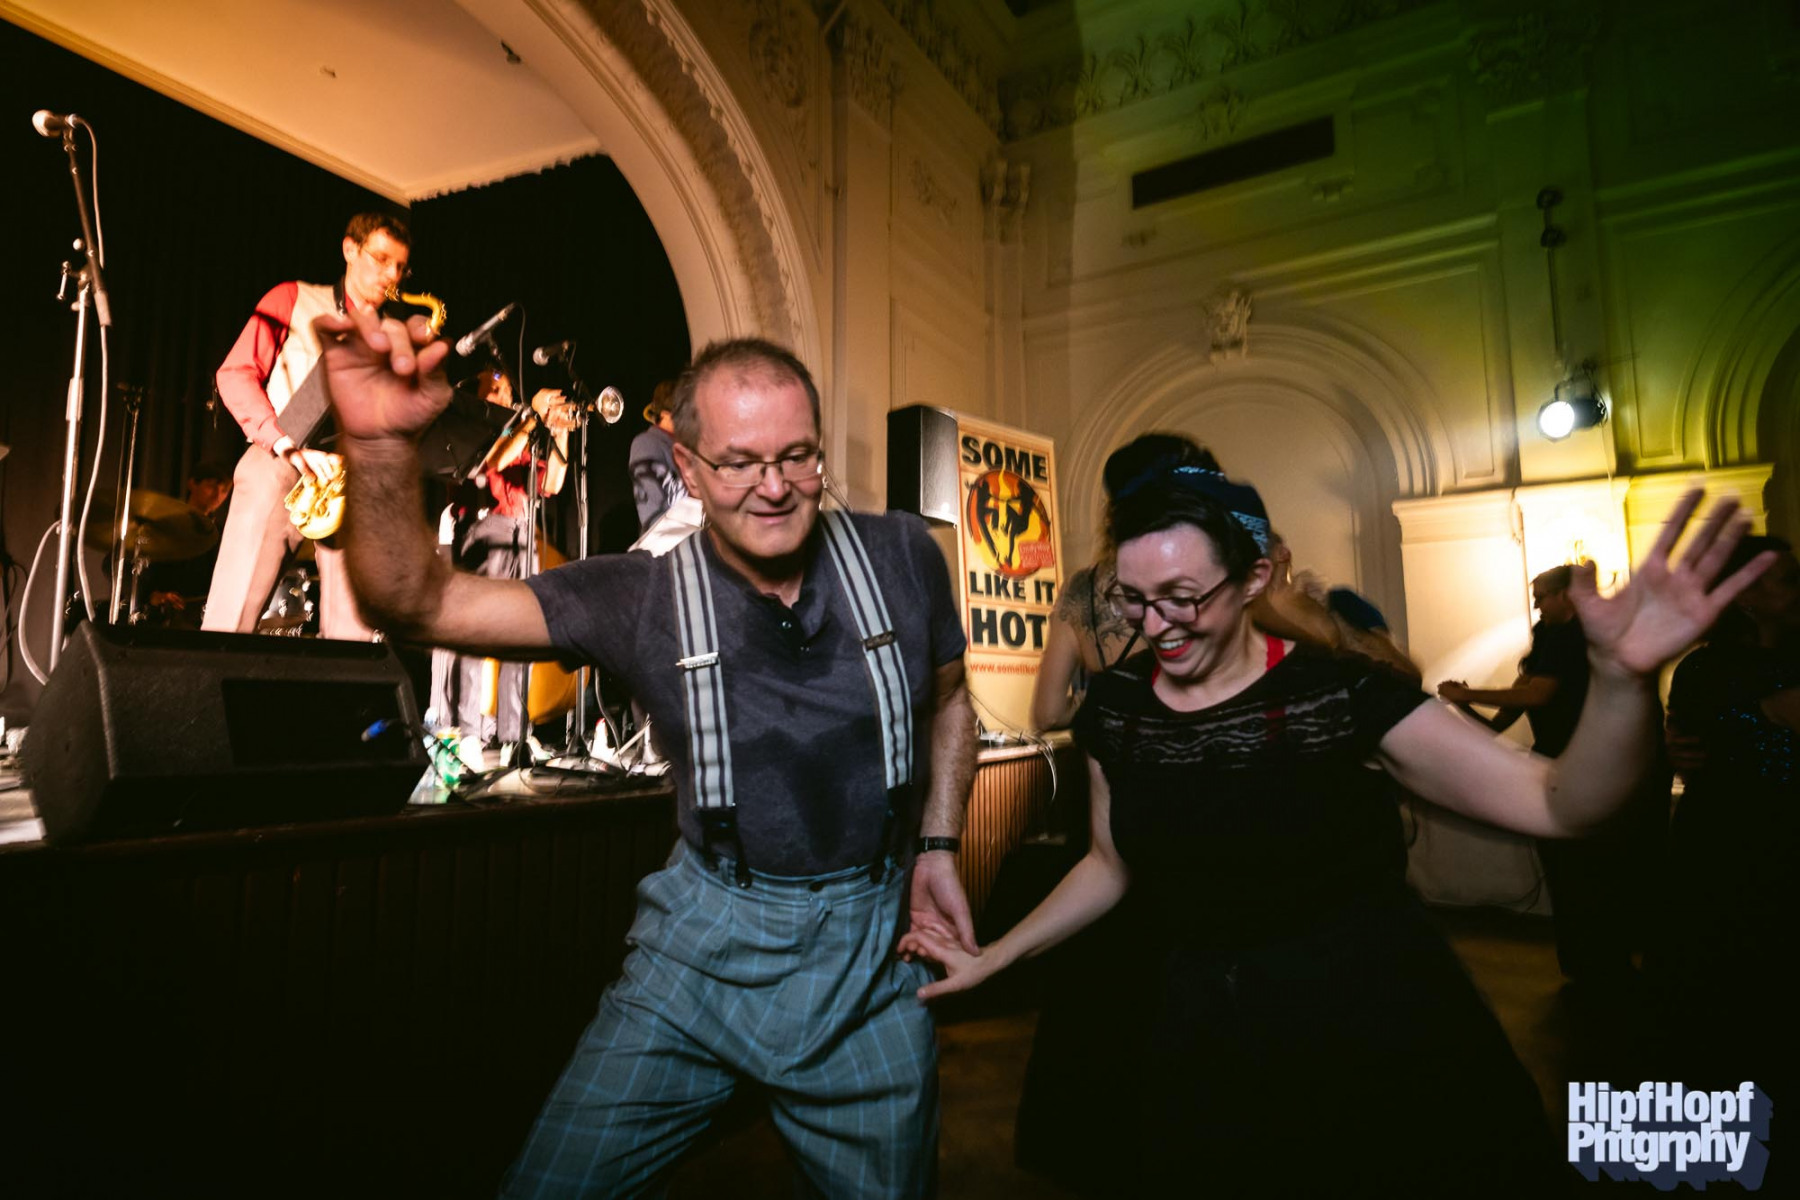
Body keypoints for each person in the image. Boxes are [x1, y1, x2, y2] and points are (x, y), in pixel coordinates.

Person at [901, 463, 1771, 1196]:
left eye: (1182, 597)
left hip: (1373, 1030)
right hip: (1206, 1041)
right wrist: (997, 956)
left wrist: (1620, 679)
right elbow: (1109, 861)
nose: (1155, 626)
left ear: (1252, 581)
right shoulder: (1120, 711)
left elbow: (1565, 805)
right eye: (1134, 600)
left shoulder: (1341, 694)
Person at [313, 308, 979, 1199]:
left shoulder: (902, 554)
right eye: (739, 463)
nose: (774, 487)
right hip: (699, 956)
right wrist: (377, 446)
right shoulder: (637, 595)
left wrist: (937, 846)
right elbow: (417, 601)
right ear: (689, 469)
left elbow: (951, 700)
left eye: (797, 457)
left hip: (870, 961)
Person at [1440, 565, 1665, 991]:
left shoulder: (1574, 637)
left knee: (1587, 874)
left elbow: (1537, 695)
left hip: (1586, 771)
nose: (1536, 603)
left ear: (1567, 596)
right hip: (1567, 771)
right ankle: (1591, 966)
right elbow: (1505, 718)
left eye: (1542, 595)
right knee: (1574, 874)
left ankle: (1600, 966)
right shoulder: (1549, 640)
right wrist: (1463, 707)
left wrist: (1466, 694)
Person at [203, 211, 413, 638]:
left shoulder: (397, 335)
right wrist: (284, 443)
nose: (392, 275)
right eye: (381, 259)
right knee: (229, 625)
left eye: (401, 267)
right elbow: (235, 373)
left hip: (349, 482)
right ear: (349, 249)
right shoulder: (293, 298)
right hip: (281, 461)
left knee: (355, 640)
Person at [1658, 534, 1797, 1095]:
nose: (1799, 587)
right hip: (1727, 845)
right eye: (1788, 579)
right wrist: (1761, 715)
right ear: (1745, 596)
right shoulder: (1707, 667)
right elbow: (1692, 745)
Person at [428, 368, 575, 747]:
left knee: (518, 637)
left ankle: (515, 736)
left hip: (522, 532)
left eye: (508, 390)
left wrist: (561, 430)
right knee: (474, 631)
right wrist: (532, 418)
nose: (505, 396)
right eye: (494, 389)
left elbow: (553, 483)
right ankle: (463, 733)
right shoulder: (473, 427)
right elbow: (493, 461)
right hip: (482, 530)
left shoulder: (520, 433)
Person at [142, 462, 233, 626]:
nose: (217, 494)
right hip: (161, 618)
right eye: (211, 486)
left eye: (224, 490)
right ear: (192, 484)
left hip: (203, 620)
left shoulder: (222, 533)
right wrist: (153, 595)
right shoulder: (166, 524)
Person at [628, 381, 687, 531]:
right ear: (665, 414)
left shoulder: (689, 447)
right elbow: (654, 515)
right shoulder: (647, 443)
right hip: (669, 542)